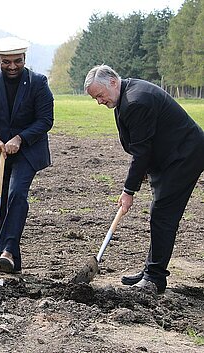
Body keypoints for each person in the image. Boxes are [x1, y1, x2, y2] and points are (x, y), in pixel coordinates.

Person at [84, 64, 204, 294]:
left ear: (112, 82)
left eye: (99, 95)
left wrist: (129, 191)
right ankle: (151, 270)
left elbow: (141, 151)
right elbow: (143, 145)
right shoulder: (125, 97)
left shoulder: (136, 101)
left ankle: (154, 278)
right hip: (168, 158)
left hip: (184, 156)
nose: (99, 101)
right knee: (159, 213)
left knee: (163, 214)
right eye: (95, 98)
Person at [0, 37, 54, 273]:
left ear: (24, 59)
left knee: (17, 193)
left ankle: (6, 250)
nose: (12, 66)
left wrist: (20, 138)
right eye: (6, 62)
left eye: (17, 61)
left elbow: (45, 120)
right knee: (1, 202)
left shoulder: (38, 82)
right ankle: (11, 262)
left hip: (28, 149)